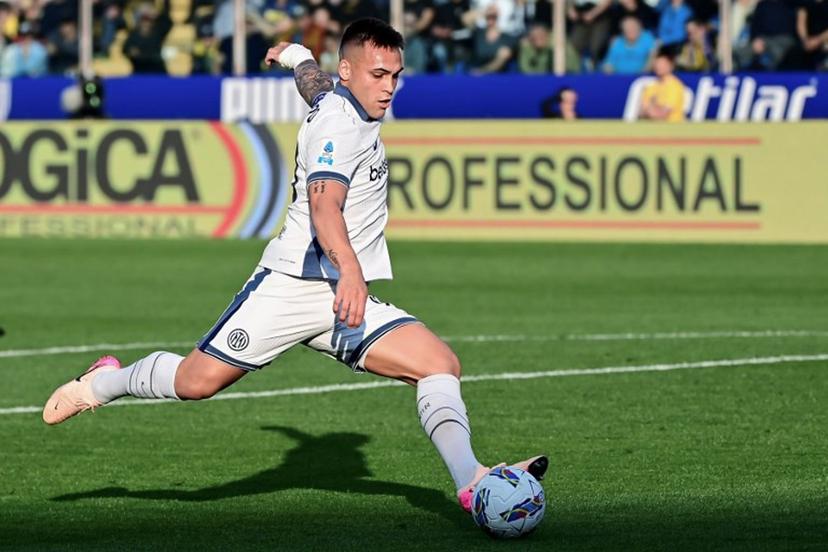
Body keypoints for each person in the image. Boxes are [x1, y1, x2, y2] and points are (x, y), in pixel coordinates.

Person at [42, 17, 547, 514]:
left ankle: (471, 481)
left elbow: (316, 86)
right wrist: (351, 271)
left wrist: (296, 58)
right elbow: (325, 206)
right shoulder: (337, 126)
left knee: (439, 364)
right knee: (194, 383)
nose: (390, 87)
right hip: (290, 288)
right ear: (350, 71)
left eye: (395, 75)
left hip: (339, 298)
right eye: (379, 75)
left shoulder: (337, 99)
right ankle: (103, 382)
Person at [639, 47, 685, 122]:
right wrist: (652, 110)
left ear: (670, 66)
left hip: (673, 128)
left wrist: (651, 109)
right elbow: (641, 112)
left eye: (662, 64)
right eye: (657, 63)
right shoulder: (652, 86)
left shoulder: (674, 86)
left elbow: (663, 114)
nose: (659, 66)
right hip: (653, 128)